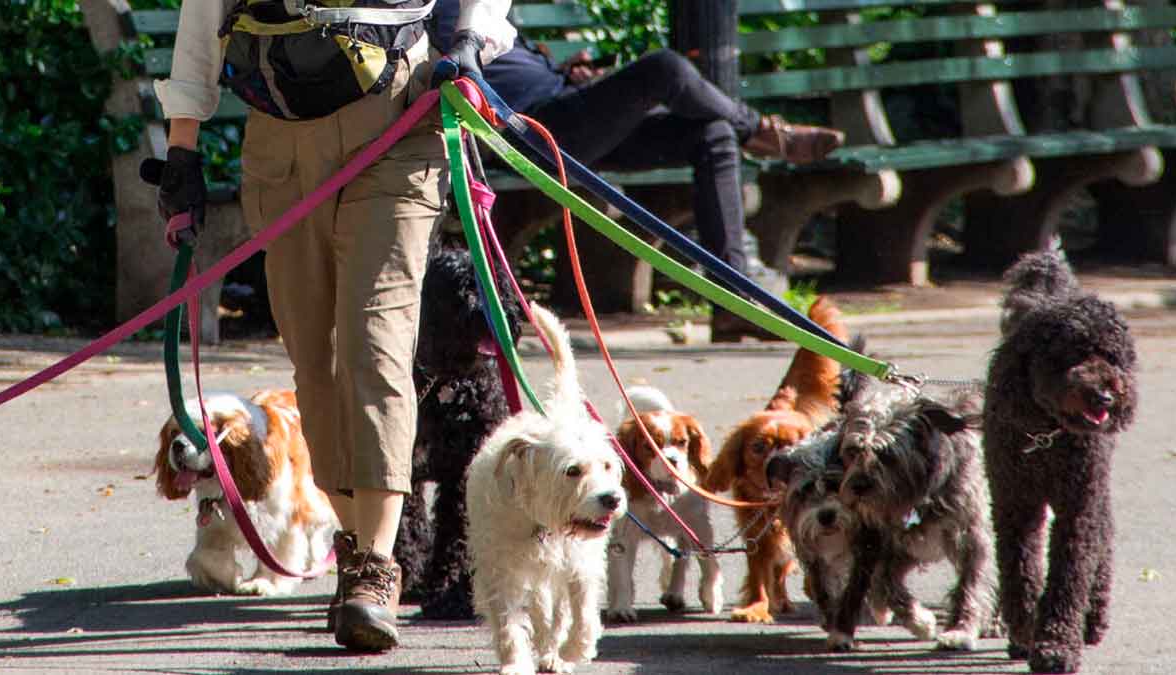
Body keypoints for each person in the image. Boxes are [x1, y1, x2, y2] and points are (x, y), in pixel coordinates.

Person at [150, 0, 514, 653]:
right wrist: (182, 154)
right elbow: (204, 16)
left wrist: (466, 41)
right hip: (281, 139)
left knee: (376, 346)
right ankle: (354, 543)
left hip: (398, 120)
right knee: (315, 362)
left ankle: (376, 566)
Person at [433, 3, 845, 341]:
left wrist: (566, 71)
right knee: (664, 68)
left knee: (712, 132)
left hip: (567, 110)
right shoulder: (444, 12)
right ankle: (763, 131)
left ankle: (732, 302)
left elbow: (513, 69)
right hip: (535, 129)